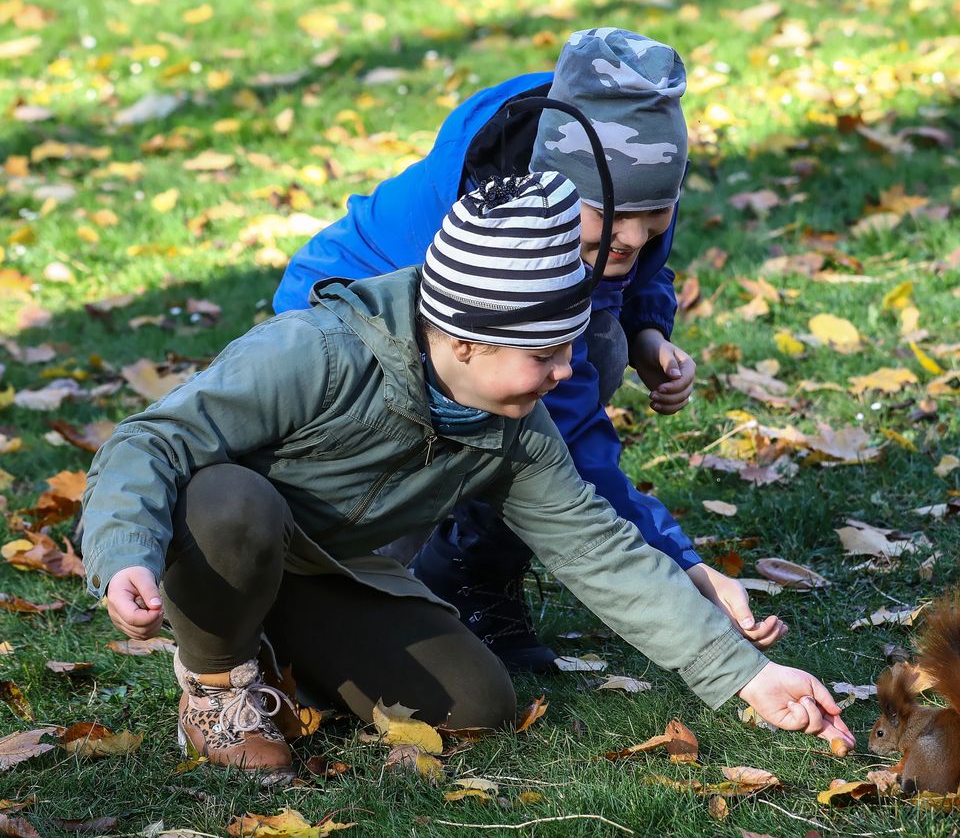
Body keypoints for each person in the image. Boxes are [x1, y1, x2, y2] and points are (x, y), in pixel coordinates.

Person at [81, 172, 853, 771]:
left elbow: (597, 550)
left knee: (476, 701)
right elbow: (150, 441)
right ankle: (217, 690)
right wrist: (123, 557)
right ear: (464, 342)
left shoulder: (517, 428)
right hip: (226, 541)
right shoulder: (315, 352)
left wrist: (747, 675)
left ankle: (277, 657)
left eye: (568, 347)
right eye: (544, 354)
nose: (565, 371)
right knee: (227, 498)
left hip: (334, 572)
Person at [272, 28, 783, 670]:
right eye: (611, 226)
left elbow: (639, 271)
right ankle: (328, 592)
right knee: (420, 442)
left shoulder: (618, 192)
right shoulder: (498, 225)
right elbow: (566, 437)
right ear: (552, 192)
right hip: (346, 315)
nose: (631, 241)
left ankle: (471, 569)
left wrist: (648, 332)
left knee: (592, 348)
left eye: (652, 223)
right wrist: (681, 565)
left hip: (470, 335)